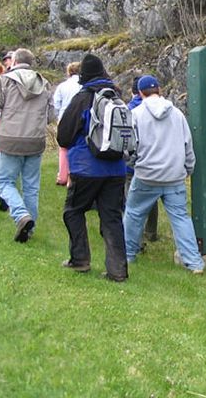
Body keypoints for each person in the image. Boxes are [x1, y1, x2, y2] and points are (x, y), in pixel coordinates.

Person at [56, 54, 128, 282]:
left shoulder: (83, 98)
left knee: (73, 211)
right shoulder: (117, 96)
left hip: (87, 168)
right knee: (112, 218)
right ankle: (118, 271)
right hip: (117, 167)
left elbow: (63, 136)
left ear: (83, 75)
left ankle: (80, 260)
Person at [123, 75, 204, 274]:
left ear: (140, 93)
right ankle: (194, 262)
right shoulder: (177, 114)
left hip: (146, 175)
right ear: (159, 89)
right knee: (181, 218)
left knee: (133, 214)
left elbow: (131, 147)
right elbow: (188, 145)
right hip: (174, 175)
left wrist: (133, 165)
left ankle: (127, 254)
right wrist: (187, 169)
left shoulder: (136, 114)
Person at [0, 48, 52, 243]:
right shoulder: (44, 84)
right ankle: (29, 228)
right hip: (35, 140)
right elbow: (51, 116)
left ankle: (21, 215)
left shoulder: (5, 81)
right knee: (31, 187)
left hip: (10, 138)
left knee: (4, 182)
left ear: (14, 61)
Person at [127, 75, 159, 244]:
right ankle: (151, 232)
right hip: (156, 161)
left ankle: (135, 241)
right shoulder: (166, 109)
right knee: (152, 200)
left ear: (136, 92)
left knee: (132, 205)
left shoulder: (130, 110)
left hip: (136, 165)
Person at [53, 61, 82, 186]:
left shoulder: (62, 86)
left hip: (64, 119)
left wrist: (58, 116)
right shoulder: (83, 86)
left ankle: (62, 176)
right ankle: (74, 175)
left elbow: (56, 104)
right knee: (78, 146)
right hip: (80, 119)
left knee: (63, 148)